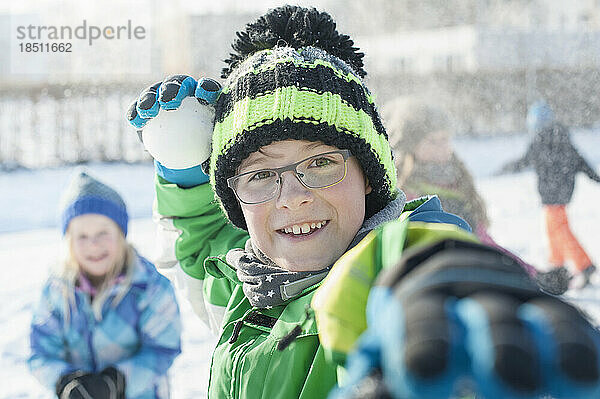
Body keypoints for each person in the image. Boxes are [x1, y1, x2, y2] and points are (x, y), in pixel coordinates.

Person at [127, 6, 600, 398]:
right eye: (261, 174)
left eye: (320, 163)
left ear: (370, 177)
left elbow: (408, 252)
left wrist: (443, 279)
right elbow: (203, 243)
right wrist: (185, 176)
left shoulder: (380, 274)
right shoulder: (244, 288)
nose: (292, 196)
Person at [384, 97, 570, 295]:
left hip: (471, 279)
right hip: (431, 289)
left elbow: (483, 242)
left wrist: (531, 275)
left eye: (445, 139)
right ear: (410, 146)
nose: (442, 148)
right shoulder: (402, 195)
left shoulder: (458, 183)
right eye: (432, 141)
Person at [28, 170, 182, 399]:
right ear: (68, 241)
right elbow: (40, 354)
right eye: (82, 236)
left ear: (121, 233)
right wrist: (64, 381)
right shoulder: (56, 290)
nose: (94, 244)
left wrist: (117, 381)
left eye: (103, 233)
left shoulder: (150, 286)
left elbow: (163, 348)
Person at [498, 100, 600, 289]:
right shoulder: (562, 137)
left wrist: (506, 168)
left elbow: (524, 161)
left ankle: (585, 265)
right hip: (562, 192)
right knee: (553, 229)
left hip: (552, 193)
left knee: (560, 229)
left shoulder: (540, 140)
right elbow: (580, 161)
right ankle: (557, 263)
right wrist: (596, 177)